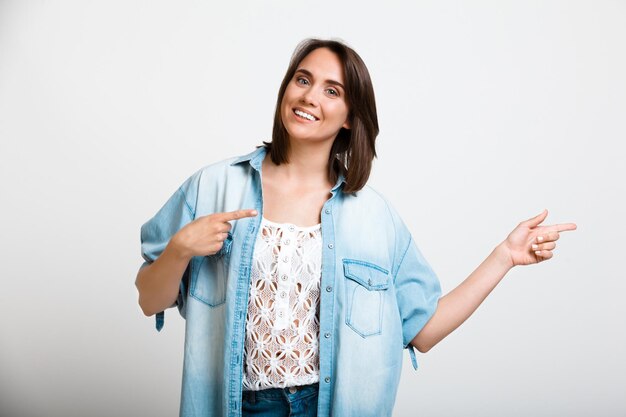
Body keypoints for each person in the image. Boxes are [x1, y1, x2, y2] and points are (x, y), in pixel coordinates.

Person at [135, 38, 577, 417]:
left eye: (332, 90)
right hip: (235, 404)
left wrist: (504, 257)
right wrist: (179, 249)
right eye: (303, 80)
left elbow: (423, 332)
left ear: (349, 116)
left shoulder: (373, 215)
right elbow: (148, 298)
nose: (310, 97)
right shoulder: (214, 185)